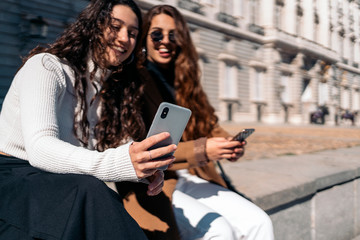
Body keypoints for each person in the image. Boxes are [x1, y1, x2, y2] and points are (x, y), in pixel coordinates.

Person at [0, 0, 177, 239]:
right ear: (93, 27)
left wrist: (142, 166)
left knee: (93, 194)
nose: (125, 38)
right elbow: (40, 148)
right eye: (115, 27)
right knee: (91, 192)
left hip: (60, 183)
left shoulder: (104, 89)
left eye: (133, 33)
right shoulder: (46, 66)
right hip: (14, 178)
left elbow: (115, 148)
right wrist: (120, 163)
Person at [122, 4, 274, 240]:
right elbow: (139, 150)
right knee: (219, 231)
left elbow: (209, 124)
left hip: (193, 175)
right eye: (157, 34)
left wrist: (228, 144)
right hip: (154, 183)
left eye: (173, 35)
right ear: (144, 38)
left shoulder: (186, 79)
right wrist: (202, 150)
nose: (165, 41)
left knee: (259, 222)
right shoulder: (132, 81)